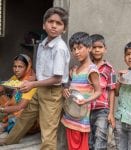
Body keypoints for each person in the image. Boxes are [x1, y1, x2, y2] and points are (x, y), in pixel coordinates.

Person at [0, 7, 70, 150]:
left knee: (48, 128)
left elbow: (57, 78)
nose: (54, 26)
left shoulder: (59, 48)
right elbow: (42, 72)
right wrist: (32, 79)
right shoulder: (43, 45)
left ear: (64, 28)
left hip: (52, 93)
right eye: (50, 21)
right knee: (25, 117)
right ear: (44, 25)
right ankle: (9, 141)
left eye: (59, 23)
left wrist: (32, 84)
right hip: (41, 88)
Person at [61, 32, 101, 150]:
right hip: (70, 113)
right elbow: (70, 87)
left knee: (80, 145)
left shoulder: (92, 70)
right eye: (73, 49)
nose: (76, 52)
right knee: (71, 144)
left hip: (81, 116)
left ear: (89, 48)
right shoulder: (75, 69)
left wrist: (85, 101)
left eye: (79, 48)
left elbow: (98, 92)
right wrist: (65, 90)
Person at [89, 34, 116, 150]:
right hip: (87, 109)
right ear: (89, 49)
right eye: (94, 47)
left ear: (105, 49)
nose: (97, 50)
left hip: (102, 110)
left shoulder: (110, 69)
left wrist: (111, 113)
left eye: (100, 47)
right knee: (89, 140)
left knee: (100, 138)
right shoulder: (87, 67)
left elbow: (112, 91)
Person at [0, 54, 37, 133]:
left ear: (27, 67)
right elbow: (3, 87)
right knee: (1, 96)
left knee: (17, 120)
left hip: (24, 115)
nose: (16, 70)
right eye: (15, 66)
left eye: (20, 67)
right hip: (14, 110)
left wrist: (2, 109)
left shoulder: (30, 84)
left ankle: (5, 125)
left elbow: (20, 107)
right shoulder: (16, 77)